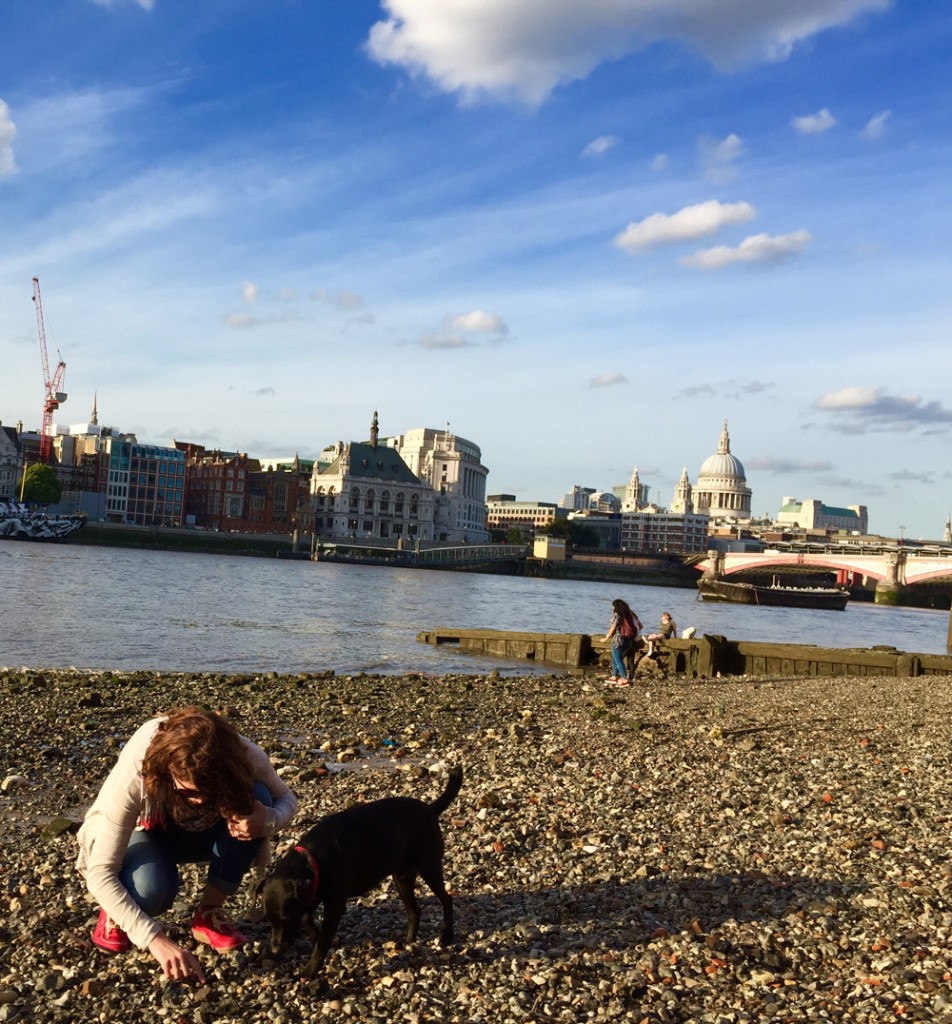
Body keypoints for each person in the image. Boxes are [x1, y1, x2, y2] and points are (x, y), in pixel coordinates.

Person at [76, 706, 299, 983]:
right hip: (147, 833)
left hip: (202, 833)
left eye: (211, 791)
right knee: (150, 891)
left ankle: (208, 913)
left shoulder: (243, 754)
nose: (201, 800)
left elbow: (288, 799)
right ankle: (114, 911)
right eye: (190, 791)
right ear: (167, 770)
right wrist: (156, 940)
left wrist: (267, 820)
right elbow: (100, 872)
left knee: (260, 796)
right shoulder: (139, 773)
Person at [602, 597, 642, 685]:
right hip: (629, 639)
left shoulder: (616, 615)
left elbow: (613, 627)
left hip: (618, 639)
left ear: (616, 607)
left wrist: (606, 637)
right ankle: (614, 676)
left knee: (618, 659)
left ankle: (624, 679)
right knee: (615, 658)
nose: (612, 608)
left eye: (612, 606)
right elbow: (640, 626)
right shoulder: (630, 615)